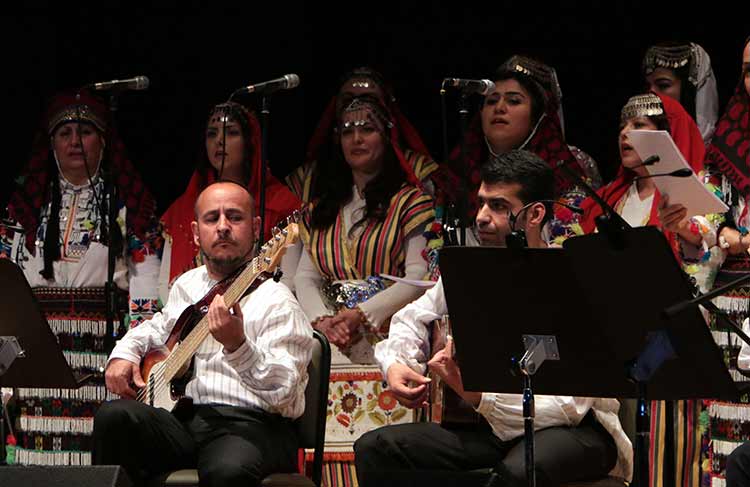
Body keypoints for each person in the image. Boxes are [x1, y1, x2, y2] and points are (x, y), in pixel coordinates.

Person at [354, 150, 632, 487]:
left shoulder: (570, 277)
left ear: (535, 214)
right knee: (377, 448)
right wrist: (398, 364)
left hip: (572, 431)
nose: (482, 217)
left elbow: (565, 408)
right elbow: (410, 319)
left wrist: (475, 396)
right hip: (490, 432)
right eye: (482, 203)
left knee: (515, 473)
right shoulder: (470, 270)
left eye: (499, 206)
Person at [92, 181, 313, 487]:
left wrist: (238, 346)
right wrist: (123, 354)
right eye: (212, 219)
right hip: (185, 421)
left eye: (235, 217)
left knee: (227, 470)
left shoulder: (279, 301)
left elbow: (286, 394)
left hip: (253, 426)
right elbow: (157, 328)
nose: (223, 227)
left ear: (255, 227)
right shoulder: (187, 285)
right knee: (114, 418)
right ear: (196, 232)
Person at [0, 91, 162, 466]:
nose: (75, 141)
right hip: (36, 350)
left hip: (102, 350)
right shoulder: (24, 208)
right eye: (65, 133)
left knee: (95, 457)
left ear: (103, 140)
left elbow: (145, 285)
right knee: (33, 454)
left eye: (85, 131)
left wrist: (136, 350)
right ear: (51, 143)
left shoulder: (128, 207)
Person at [579, 92, 722, 487]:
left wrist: (683, 230)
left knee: (664, 458)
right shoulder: (607, 198)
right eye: (623, 126)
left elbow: (705, 253)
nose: (626, 134)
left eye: (640, 127)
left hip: (667, 344)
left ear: (667, 137)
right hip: (611, 342)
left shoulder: (696, 191)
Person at [292, 96, 435, 483]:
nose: (356, 138)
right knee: (329, 444)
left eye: (367, 128)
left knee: (381, 446)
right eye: (347, 130)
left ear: (387, 138)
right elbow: (304, 276)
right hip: (332, 341)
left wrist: (363, 313)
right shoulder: (320, 209)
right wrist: (321, 321)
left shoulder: (410, 202)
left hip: (388, 338)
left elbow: (422, 274)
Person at [442, 55, 602, 249]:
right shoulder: (461, 171)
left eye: (514, 101)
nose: (499, 108)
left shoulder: (567, 169)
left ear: (538, 116)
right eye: (491, 101)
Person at [159, 101, 301, 298]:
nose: (220, 141)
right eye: (212, 134)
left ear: (250, 142)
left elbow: (289, 280)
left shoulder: (281, 205)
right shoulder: (183, 208)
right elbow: (165, 286)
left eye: (231, 133)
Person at [699, 35, 750, 487]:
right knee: (731, 443)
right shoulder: (729, 145)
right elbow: (708, 213)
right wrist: (710, 228)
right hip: (731, 307)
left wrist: (743, 239)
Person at [643, 41, 719, 144]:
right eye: (648, 86)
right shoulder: (637, 140)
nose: (651, 94)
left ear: (689, 90)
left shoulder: (717, 153)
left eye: (663, 85)